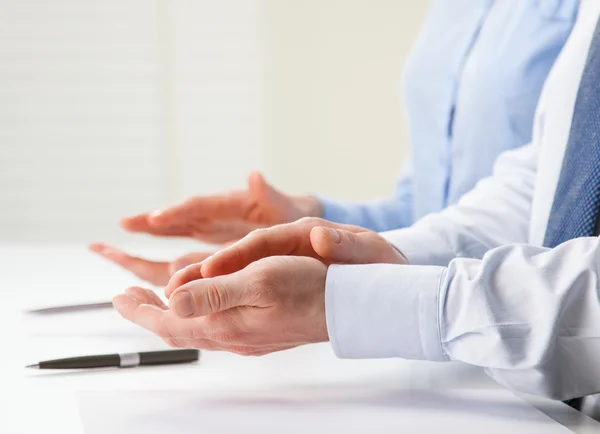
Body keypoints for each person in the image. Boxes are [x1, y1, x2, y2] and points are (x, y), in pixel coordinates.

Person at [113, 2, 600, 420]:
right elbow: (541, 185)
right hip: (505, 381)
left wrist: (358, 302)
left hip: (498, 353)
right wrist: (353, 249)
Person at [91, 0, 580, 284]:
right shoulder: (456, 10)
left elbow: (554, 213)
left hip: (522, 323)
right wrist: (304, 222)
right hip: (424, 326)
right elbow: (428, 209)